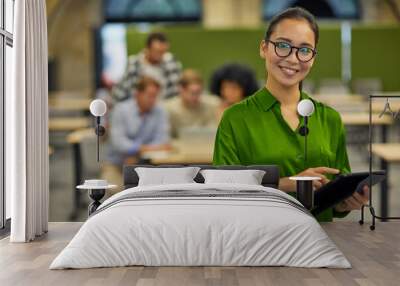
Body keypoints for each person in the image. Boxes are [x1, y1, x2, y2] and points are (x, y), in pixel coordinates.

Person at [212, 7, 369, 222]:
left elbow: (337, 199)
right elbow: (223, 190)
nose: (294, 59)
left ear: (313, 58)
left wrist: (346, 202)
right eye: (283, 46)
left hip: (318, 243)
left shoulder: (330, 119)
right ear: (264, 48)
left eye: (304, 50)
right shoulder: (235, 118)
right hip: (259, 241)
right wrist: (286, 183)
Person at [102, 76, 171, 190]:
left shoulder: (160, 111)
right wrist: (143, 149)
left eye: (155, 96)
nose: (152, 100)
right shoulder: (120, 110)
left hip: (148, 166)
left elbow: (163, 139)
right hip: (117, 165)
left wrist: (138, 152)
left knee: (160, 192)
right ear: (137, 94)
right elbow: (119, 143)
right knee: (119, 193)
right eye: (149, 95)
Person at [112, 32, 182, 101]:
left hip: (164, 105)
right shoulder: (135, 63)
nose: (160, 56)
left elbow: (178, 88)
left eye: (163, 52)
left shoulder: (170, 61)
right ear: (147, 48)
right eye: (157, 51)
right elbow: (122, 90)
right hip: (140, 106)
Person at [163, 69, 220, 138]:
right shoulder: (168, 109)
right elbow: (166, 138)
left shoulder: (212, 104)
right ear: (181, 90)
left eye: (199, 92)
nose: (196, 97)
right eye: (192, 93)